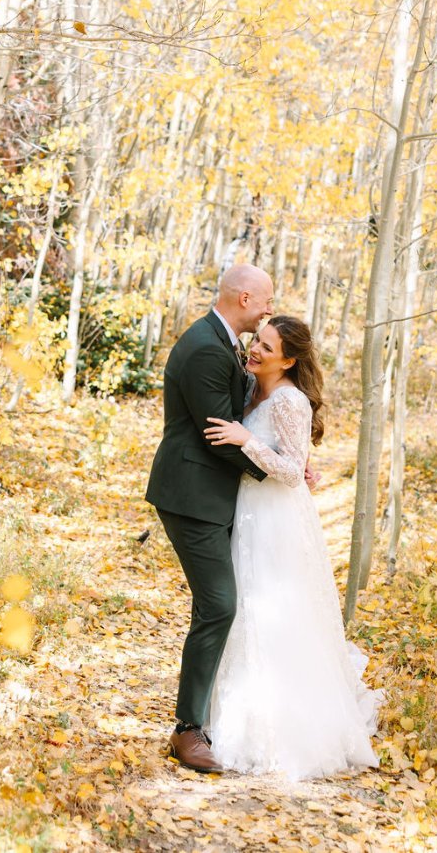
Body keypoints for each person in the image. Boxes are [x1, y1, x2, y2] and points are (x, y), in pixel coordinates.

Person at [202, 315, 382, 780]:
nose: (256, 350)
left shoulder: (290, 399)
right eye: (256, 340)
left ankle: (284, 731)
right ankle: (237, 712)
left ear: (289, 359)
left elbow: (289, 468)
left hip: (277, 518)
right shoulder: (250, 387)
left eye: (267, 346)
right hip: (248, 509)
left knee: (274, 612)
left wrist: (246, 441)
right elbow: (296, 461)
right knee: (242, 608)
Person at [144, 263, 276, 774]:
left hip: (213, 494)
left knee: (221, 604)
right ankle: (186, 730)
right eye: (265, 300)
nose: (270, 308)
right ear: (244, 298)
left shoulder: (219, 342)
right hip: (192, 492)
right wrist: (279, 470)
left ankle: (211, 714)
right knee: (219, 605)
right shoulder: (204, 348)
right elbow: (218, 435)